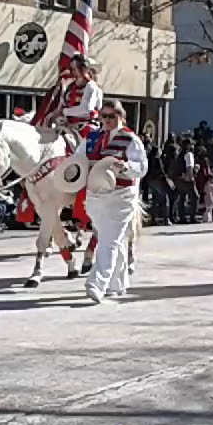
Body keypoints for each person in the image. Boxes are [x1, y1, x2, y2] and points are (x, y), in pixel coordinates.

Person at [84, 99, 148, 303]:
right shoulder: (93, 137)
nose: (107, 120)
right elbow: (78, 159)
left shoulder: (130, 139)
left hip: (121, 196)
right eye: (103, 116)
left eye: (111, 116)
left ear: (121, 117)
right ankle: (117, 284)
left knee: (108, 241)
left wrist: (125, 166)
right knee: (112, 239)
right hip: (96, 196)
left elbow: (142, 167)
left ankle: (97, 283)